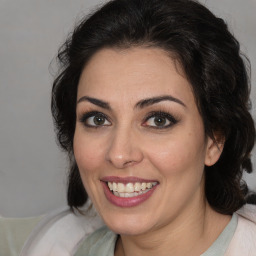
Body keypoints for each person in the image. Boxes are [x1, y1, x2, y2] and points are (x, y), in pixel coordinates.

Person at [2, 0, 256, 255]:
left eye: (158, 120)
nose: (119, 154)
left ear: (214, 140)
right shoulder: (51, 246)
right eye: (97, 119)